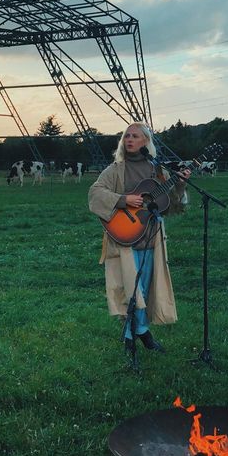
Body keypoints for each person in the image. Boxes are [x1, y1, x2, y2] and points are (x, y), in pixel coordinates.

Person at [88, 122, 190, 358]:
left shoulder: (157, 171)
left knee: (144, 287)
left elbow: (171, 205)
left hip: (151, 238)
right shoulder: (116, 169)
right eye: (126, 136)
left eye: (135, 136)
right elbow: (95, 193)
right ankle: (138, 336)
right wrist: (124, 200)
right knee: (132, 290)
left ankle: (138, 334)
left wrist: (181, 183)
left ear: (146, 142)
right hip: (125, 238)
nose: (129, 140)